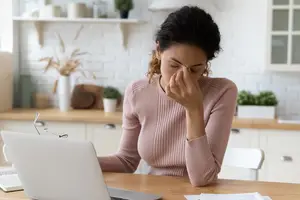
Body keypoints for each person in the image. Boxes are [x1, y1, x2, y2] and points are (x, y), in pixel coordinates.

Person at [98, 6, 238, 187]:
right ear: (158, 50)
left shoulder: (222, 92)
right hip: (151, 194)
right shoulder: (137, 92)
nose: (183, 77)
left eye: (195, 69)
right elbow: (126, 161)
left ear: (206, 64)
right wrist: (82, 161)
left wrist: (193, 108)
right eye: (174, 65)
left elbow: (202, 178)